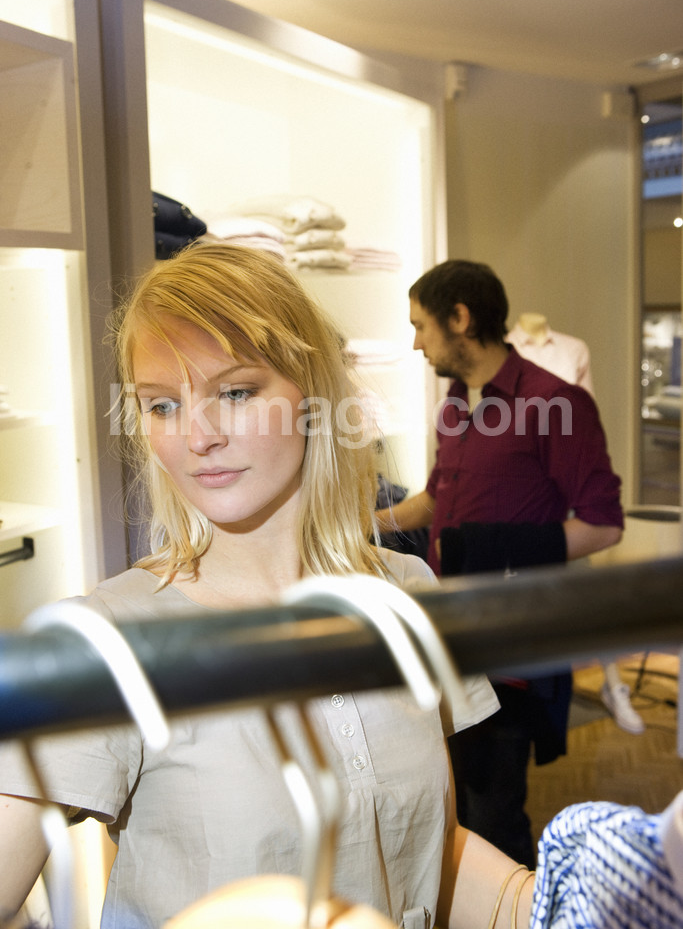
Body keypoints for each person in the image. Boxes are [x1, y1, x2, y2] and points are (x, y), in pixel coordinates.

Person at [0, 243, 536, 929]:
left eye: (235, 392)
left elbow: (422, 854)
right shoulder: (110, 639)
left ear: (313, 398)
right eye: (162, 405)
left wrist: (549, 903)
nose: (197, 437)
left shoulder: (406, 591)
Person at [375, 259, 624, 869]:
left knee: (494, 817)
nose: (416, 343)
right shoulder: (456, 404)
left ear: (460, 318)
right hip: (449, 632)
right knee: (457, 802)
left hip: (509, 643)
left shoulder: (555, 403)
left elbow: (603, 525)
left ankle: (517, 904)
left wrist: (501, 549)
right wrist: (363, 525)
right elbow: (435, 499)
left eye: (421, 326)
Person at [507, 312, 644, 735]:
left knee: (583, 587)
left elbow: (585, 419)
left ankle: (613, 684)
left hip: (562, 482)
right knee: (519, 587)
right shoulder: (504, 352)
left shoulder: (572, 349)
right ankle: (522, 692)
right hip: (518, 483)